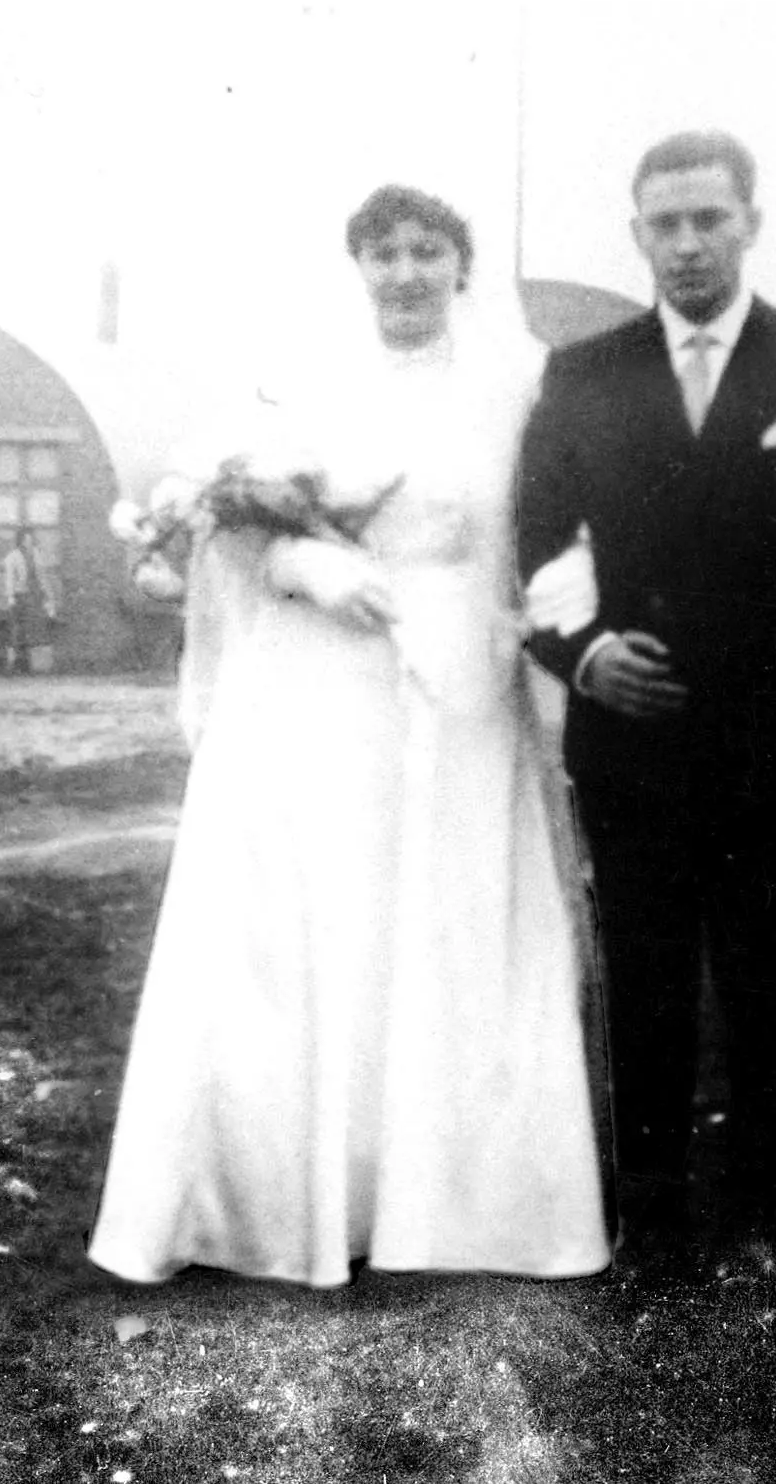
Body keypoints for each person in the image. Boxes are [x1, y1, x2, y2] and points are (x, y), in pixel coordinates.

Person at [88, 185, 610, 1288]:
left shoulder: (519, 386)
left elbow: (564, 516)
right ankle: (296, 1200)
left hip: (458, 673)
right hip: (320, 678)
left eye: (428, 252)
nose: (406, 274)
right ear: (357, 267)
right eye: (384, 254)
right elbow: (219, 515)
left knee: (450, 913)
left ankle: (460, 1204)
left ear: (461, 267)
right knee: (318, 916)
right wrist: (299, 563)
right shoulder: (303, 382)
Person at [516, 129, 776, 1244]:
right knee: (642, 982)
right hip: (630, 743)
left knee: (765, 976)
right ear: (635, 235)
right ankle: (654, 1214)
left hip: (773, 747)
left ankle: (771, 1204)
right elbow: (530, 544)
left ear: (749, 224)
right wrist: (582, 654)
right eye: (664, 224)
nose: (685, 245)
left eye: (707, 220)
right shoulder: (583, 374)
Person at [1, 529, 50, 672]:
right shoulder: (12, 557)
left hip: (34, 596)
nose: (28, 542)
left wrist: (46, 595)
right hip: (20, 596)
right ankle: (14, 664)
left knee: (33, 629)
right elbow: (9, 579)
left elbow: (42, 576)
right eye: (25, 540)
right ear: (21, 541)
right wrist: (10, 597)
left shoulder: (37, 554)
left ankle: (33, 665)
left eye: (30, 540)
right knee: (17, 629)